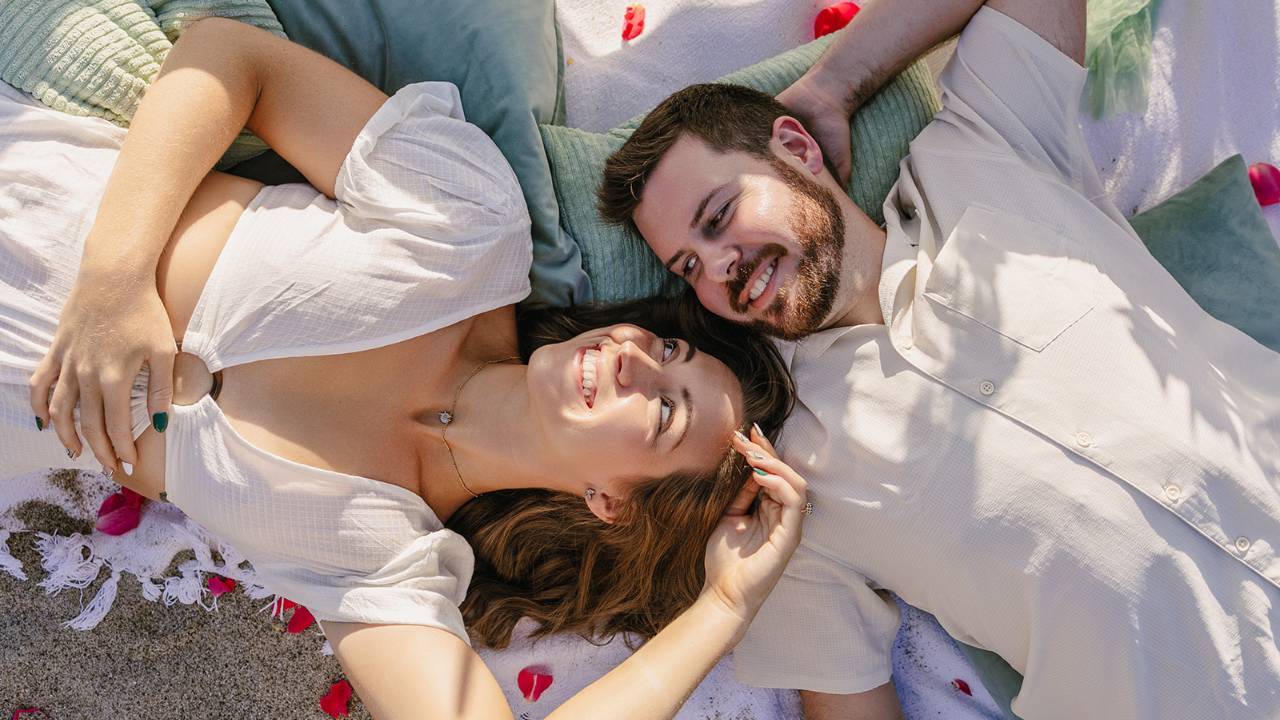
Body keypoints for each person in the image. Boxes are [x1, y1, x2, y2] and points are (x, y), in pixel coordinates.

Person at [0, 17, 807, 719]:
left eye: (665, 411)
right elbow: (233, 57)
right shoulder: (471, 230)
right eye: (670, 349)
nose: (634, 361)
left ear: (611, 504)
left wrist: (728, 604)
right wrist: (114, 280)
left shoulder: (383, 557)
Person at [598, 0, 1280, 718]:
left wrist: (836, 86)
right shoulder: (791, 478)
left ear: (796, 150)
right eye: (688, 266)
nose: (719, 270)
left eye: (718, 217)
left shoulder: (981, 152)